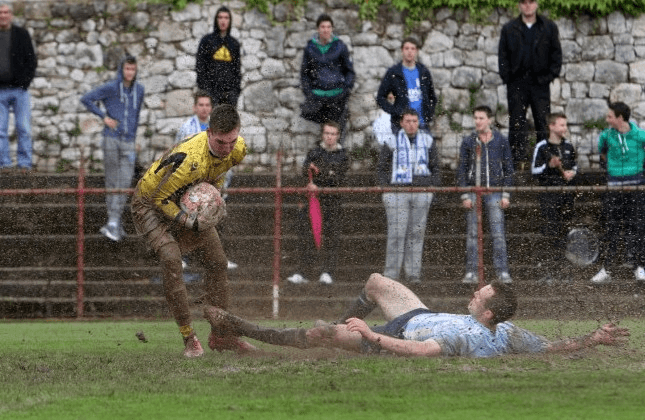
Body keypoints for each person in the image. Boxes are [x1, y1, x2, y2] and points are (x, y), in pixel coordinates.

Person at [203, 273, 630, 358]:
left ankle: (238, 328)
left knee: (321, 334)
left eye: (479, 292)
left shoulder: (474, 339)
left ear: (487, 310)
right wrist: (593, 338)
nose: (474, 291)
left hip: (396, 335)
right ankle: (343, 320)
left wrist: (370, 336)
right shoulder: (508, 330)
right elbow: (551, 346)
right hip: (417, 314)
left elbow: (423, 351)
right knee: (375, 282)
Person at [131, 104, 255, 358]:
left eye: (232, 141)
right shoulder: (191, 159)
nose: (227, 148)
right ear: (209, 132)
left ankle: (222, 336)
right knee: (171, 259)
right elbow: (159, 198)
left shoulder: (238, 149)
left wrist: (212, 196)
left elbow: (218, 171)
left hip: (186, 200)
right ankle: (189, 338)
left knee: (218, 263)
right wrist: (188, 221)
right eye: (221, 142)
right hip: (150, 204)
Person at [81, 55, 144, 242]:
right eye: (127, 69)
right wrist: (103, 116)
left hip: (128, 142)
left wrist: (133, 136)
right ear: (121, 69)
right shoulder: (110, 87)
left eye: (133, 69)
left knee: (124, 183)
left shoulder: (139, 90)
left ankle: (114, 222)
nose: (129, 73)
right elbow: (87, 99)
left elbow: (136, 113)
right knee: (112, 182)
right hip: (111, 139)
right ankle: (114, 221)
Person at [175, 90, 237, 277]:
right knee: (188, 219)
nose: (204, 108)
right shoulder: (186, 128)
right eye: (200, 105)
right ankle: (183, 258)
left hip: (214, 181)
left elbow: (228, 153)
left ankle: (218, 258)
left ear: (212, 108)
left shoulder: (221, 127)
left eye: (207, 105)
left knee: (217, 218)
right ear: (195, 107)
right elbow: (178, 154)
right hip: (192, 181)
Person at [377, 108, 440, 283]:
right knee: (396, 233)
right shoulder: (391, 140)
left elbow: (435, 167)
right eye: (408, 121)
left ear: (418, 122)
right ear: (402, 123)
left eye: (414, 121)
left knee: (417, 233)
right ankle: (391, 275)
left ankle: (413, 274)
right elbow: (381, 167)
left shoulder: (427, 140)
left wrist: (431, 188)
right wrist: (386, 189)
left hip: (421, 192)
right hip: (397, 192)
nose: (411, 124)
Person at [498, 0, 562, 166]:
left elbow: (556, 55)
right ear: (519, 5)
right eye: (524, 2)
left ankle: (543, 160)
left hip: (539, 83)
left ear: (537, 4)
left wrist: (548, 76)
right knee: (517, 122)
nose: (528, 6)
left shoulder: (549, 27)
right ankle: (516, 161)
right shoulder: (509, 28)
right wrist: (508, 78)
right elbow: (502, 56)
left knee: (542, 121)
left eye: (531, 2)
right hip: (517, 83)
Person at [287, 121, 350, 285]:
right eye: (327, 133)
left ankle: (327, 271)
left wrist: (320, 181)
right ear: (323, 134)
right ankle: (303, 271)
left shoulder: (343, 155)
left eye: (333, 134)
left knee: (331, 237)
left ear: (338, 135)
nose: (330, 137)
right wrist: (322, 176)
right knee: (306, 237)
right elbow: (305, 171)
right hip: (313, 202)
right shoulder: (314, 152)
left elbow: (338, 178)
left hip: (333, 203)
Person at [457, 105, 514, 284]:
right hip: (475, 192)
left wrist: (506, 194)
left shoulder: (501, 141)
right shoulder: (468, 142)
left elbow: (508, 169)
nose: (478, 121)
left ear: (489, 120)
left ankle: (502, 272)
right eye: (475, 118)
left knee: (498, 234)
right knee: (473, 234)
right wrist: (465, 194)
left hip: (495, 192)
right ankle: (472, 272)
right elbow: (462, 170)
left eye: (481, 118)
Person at [590, 102, 645, 284]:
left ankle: (639, 267)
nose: (607, 120)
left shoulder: (640, 136)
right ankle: (606, 269)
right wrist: (614, 172)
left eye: (610, 116)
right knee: (611, 229)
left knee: (637, 227)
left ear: (620, 118)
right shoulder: (606, 136)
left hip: (636, 188)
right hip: (613, 189)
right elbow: (602, 153)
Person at [531, 112, 577, 281]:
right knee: (550, 233)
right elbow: (534, 171)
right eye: (562, 125)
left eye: (565, 125)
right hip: (549, 196)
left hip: (566, 196)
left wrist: (571, 173)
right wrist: (548, 165)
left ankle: (563, 272)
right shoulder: (542, 147)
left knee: (564, 233)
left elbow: (575, 167)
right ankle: (548, 271)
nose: (564, 128)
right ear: (551, 126)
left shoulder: (569, 147)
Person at [300, 14, 355, 139]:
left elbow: (349, 71)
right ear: (318, 29)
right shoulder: (310, 48)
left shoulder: (340, 46)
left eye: (328, 27)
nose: (326, 30)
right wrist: (309, 93)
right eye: (323, 27)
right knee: (323, 134)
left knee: (338, 132)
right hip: (317, 95)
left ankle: (339, 157)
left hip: (337, 95)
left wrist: (346, 89)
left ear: (332, 29)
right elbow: (305, 73)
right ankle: (321, 157)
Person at [0, 2, 37, 173]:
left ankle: (25, 164)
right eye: (0, 12)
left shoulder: (21, 34)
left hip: (20, 90)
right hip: (0, 91)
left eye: (6, 12)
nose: (3, 15)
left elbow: (32, 61)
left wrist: (25, 83)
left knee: (24, 128)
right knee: (0, 130)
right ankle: (4, 164)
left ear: (11, 15)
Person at [376, 37, 437, 135]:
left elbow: (432, 96)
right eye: (407, 48)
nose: (409, 52)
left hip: (421, 123)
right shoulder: (393, 72)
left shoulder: (424, 72)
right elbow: (380, 97)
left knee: (425, 150)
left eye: (412, 49)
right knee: (401, 150)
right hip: (400, 124)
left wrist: (429, 113)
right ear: (402, 51)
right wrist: (395, 111)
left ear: (416, 51)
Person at [195, 6, 241, 107]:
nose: (223, 21)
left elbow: (237, 71)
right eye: (220, 17)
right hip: (210, 95)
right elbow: (200, 67)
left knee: (228, 122)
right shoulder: (206, 41)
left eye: (226, 17)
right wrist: (206, 91)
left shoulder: (234, 44)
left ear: (230, 20)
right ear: (216, 20)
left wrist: (234, 93)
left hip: (229, 96)